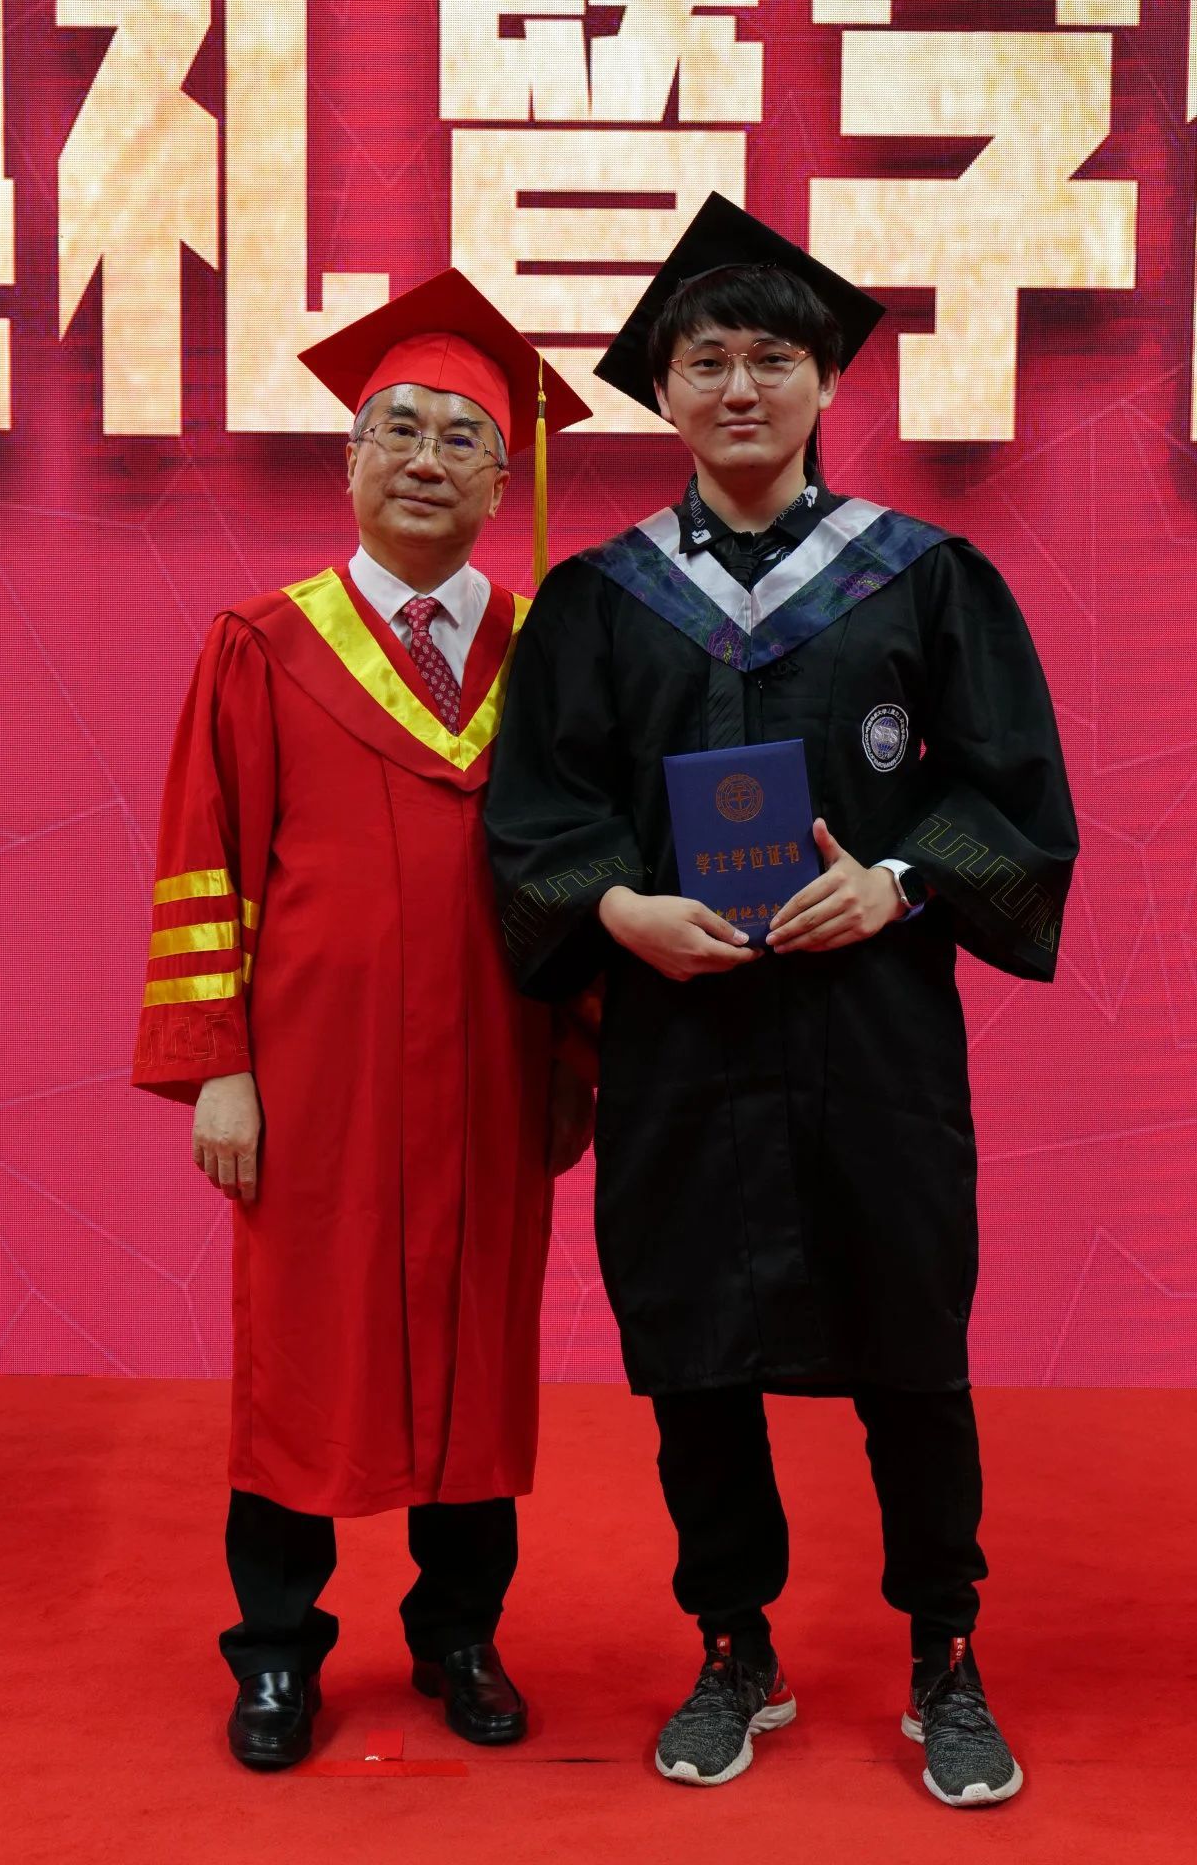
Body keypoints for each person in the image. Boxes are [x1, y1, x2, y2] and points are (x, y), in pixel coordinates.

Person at [484, 195, 1078, 1806]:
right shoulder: (602, 598)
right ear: (661, 391)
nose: (739, 386)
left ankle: (944, 1649)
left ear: (824, 380)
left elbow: (1013, 792)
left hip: (869, 1030)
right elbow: (540, 808)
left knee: (912, 1342)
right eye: (706, 361)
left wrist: (898, 882)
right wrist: (616, 905)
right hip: (680, 1033)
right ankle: (733, 1642)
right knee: (696, 1348)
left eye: (770, 357)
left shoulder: (920, 578)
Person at [132, 270, 592, 1770]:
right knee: (302, 1357)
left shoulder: (545, 653)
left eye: (465, 438)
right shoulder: (263, 642)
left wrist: (578, 1056)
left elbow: (588, 866)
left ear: (503, 481)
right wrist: (221, 1071)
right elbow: (204, 861)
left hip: (493, 1068)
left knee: (479, 1347)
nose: (428, 459)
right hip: (316, 1077)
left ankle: (460, 1633)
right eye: (399, 428)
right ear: (348, 457)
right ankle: (276, 1651)